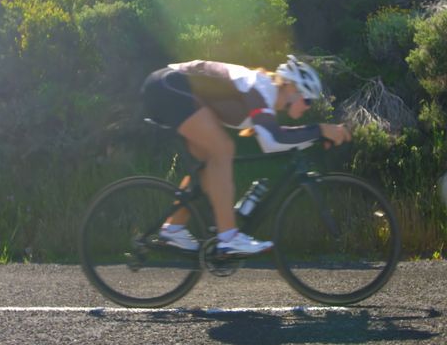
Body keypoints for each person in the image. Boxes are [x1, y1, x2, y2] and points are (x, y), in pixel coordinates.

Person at [140, 55, 351, 255]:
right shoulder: (260, 88)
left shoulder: (264, 95)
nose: (308, 107)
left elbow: (274, 136)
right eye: (308, 101)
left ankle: (173, 229)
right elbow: (272, 140)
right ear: (291, 87)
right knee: (223, 149)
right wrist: (319, 130)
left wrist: (317, 135)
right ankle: (229, 237)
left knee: (210, 163)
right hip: (168, 87)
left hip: (170, 89)